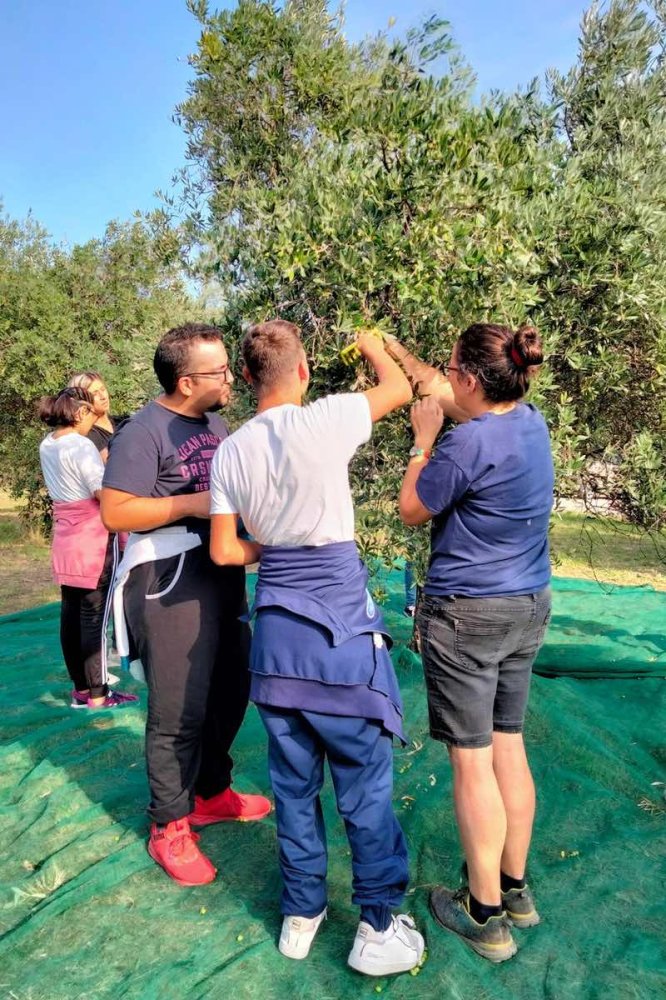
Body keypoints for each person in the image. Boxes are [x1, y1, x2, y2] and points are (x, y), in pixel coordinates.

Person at [208, 320, 425, 977]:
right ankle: (378, 926)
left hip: (276, 641)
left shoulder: (229, 452)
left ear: (248, 378)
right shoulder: (327, 418)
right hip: (339, 639)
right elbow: (399, 387)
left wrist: (277, 549)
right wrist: (373, 344)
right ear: (302, 371)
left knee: (293, 788)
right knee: (364, 788)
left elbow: (225, 551)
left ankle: (301, 916)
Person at [396, 322, 553, 963]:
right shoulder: (530, 422)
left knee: (472, 760)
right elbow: (445, 391)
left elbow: (413, 509)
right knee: (509, 745)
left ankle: (482, 913)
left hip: (468, 615)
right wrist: (398, 356)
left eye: (451, 366)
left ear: (467, 378)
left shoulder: (462, 443)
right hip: (528, 606)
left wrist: (421, 442)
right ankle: (515, 889)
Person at [100, 323, 271, 887]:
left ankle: (211, 792)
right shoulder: (142, 432)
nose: (230, 378)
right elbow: (115, 512)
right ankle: (169, 825)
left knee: (231, 688)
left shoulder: (216, 424)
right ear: (185, 381)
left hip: (221, 575)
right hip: (168, 579)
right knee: (178, 709)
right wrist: (195, 503)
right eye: (219, 371)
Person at [38, 387, 138, 710]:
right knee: (95, 616)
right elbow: (101, 493)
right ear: (80, 413)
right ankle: (99, 694)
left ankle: (81, 689)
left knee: (70, 612)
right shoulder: (81, 446)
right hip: (93, 540)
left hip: (65, 537)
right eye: (91, 416)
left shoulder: (47, 444)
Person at [67, 371, 124, 460]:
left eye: (103, 389)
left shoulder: (122, 421)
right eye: (95, 394)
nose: (103, 397)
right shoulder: (88, 435)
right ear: (82, 400)